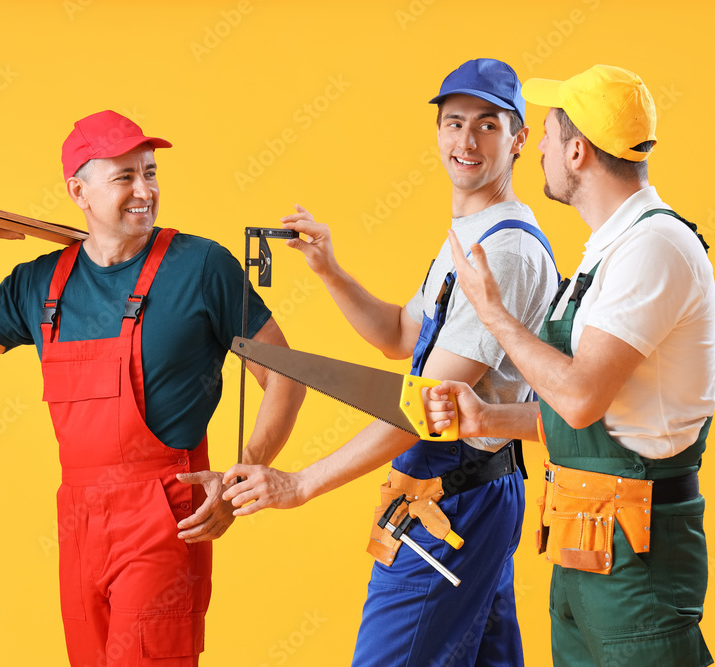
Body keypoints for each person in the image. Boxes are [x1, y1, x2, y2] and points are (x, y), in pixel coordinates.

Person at [0, 110, 305, 667]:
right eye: (124, 177)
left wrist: (244, 471)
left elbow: (284, 372)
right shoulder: (40, 281)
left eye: (150, 172)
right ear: (79, 191)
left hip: (166, 514)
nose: (145, 190)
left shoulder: (201, 265)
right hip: (79, 518)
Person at [221, 59, 559, 666]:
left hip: (454, 496)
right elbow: (401, 334)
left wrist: (300, 484)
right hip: (465, 488)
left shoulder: (504, 249)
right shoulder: (470, 231)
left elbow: (425, 408)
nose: (466, 141)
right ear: (437, 133)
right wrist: (329, 271)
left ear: (518, 139)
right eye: (454, 123)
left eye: (487, 125)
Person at [427, 64, 715, 666]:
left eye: (550, 137)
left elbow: (581, 397)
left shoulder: (653, 249)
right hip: (583, 543)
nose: (541, 152)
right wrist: (487, 419)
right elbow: (587, 416)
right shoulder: (606, 252)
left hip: (638, 558)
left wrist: (495, 313)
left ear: (578, 152)